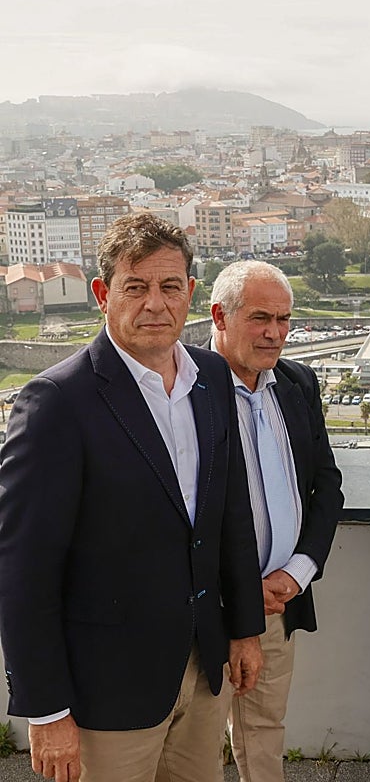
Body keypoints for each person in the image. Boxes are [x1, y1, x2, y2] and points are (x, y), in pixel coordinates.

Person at [0, 213, 264, 782]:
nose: (155, 304)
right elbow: (23, 571)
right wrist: (46, 711)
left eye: (170, 287)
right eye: (135, 287)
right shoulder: (56, 403)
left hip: (202, 671)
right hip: (106, 693)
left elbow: (229, 517)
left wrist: (244, 629)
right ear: (103, 294)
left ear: (190, 292)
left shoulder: (213, 377)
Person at [210, 260, 346, 782]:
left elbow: (326, 486)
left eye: (284, 320)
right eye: (260, 317)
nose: (275, 333)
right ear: (220, 315)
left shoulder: (297, 382)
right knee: (198, 746)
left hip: (278, 604)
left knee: (265, 731)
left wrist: (298, 571)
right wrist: (240, 587)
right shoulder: (187, 391)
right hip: (214, 609)